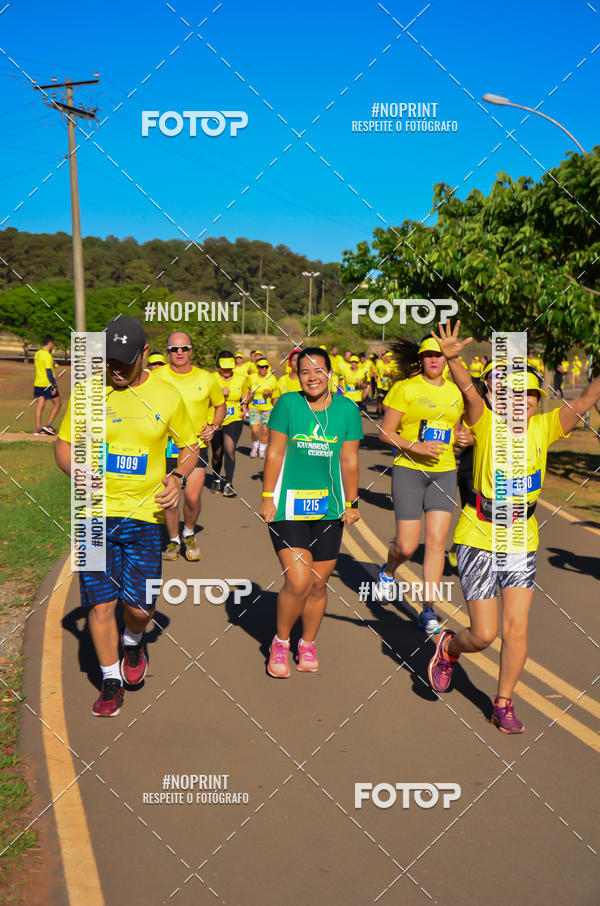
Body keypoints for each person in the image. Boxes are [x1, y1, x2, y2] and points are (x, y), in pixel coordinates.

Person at [427, 320, 600, 733]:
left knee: (516, 627)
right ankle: (450, 647)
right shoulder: (485, 422)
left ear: (538, 403)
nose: (520, 402)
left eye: (529, 396)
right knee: (484, 634)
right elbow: (469, 393)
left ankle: (503, 701)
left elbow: (588, 397)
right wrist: (453, 359)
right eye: (511, 394)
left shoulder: (544, 428)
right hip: (477, 533)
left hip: (521, 536)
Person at [55, 317, 198, 717]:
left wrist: (178, 476)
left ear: (144, 355)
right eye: (108, 361)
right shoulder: (87, 393)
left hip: (148, 517)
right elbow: (64, 446)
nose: (115, 370)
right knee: (100, 607)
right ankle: (110, 679)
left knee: (139, 607)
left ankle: (133, 641)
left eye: (123, 361)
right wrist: (77, 472)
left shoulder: (168, 396)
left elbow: (189, 447)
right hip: (93, 516)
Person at [259, 347, 362, 677]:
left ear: (331, 373)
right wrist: (266, 496)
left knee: (318, 584)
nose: (312, 376)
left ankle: (308, 644)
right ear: (297, 376)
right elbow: (274, 452)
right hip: (287, 507)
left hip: (329, 508)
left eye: (319, 370)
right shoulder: (288, 404)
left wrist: (352, 504)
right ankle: (280, 642)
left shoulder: (347, 410)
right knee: (298, 580)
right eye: (305, 371)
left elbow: (349, 460)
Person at [376, 336, 464, 632]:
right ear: (421, 359)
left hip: (444, 472)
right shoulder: (406, 388)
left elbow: (456, 429)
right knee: (406, 545)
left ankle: (428, 609)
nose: (434, 360)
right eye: (428, 356)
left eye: (439, 355)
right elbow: (386, 433)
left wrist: (463, 437)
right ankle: (388, 571)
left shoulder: (456, 392)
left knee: (437, 543)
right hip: (409, 471)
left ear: (446, 359)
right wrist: (416, 447)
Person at [155, 332, 226, 561]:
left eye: (184, 348)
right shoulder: (155, 377)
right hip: (165, 446)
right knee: (171, 497)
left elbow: (220, 405)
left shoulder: (206, 378)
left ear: (191, 351)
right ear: (167, 351)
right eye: (174, 349)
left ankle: (189, 532)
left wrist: (214, 426)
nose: (179, 353)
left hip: (195, 445)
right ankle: (174, 540)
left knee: (193, 498)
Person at [211, 351, 250, 496]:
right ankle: (216, 478)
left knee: (229, 447)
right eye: (224, 368)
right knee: (217, 452)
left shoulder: (241, 379)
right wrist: (219, 393)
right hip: (214, 418)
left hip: (234, 418)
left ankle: (228, 484)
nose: (227, 371)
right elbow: (204, 399)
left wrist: (245, 402)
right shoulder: (211, 378)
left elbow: (245, 395)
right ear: (218, 365)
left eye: (230, 368)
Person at [247, 357, 279, 458]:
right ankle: (254, 447)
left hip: (267, 409)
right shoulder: (252, 377)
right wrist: (249, 394)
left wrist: (270, 393)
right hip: (254, 407)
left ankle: (262, 451)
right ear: (257, 367)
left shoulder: (272, 378)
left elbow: (276, 393)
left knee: (265, 430)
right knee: (255, 430)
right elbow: (247, 389)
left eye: (266, 367)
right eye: (261, 367)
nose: (264, 369)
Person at [33, 335, 61, 435]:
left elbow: (40, 368)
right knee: (58, 403)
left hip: (37, 383)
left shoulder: (37, 354)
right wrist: (54, 386)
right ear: (50, 343)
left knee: (40, 405)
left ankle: (38, 429)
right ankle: (48, 425)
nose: (53, 346)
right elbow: (48, 372)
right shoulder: (47, 355)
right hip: (47, 384)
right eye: (53, 344)